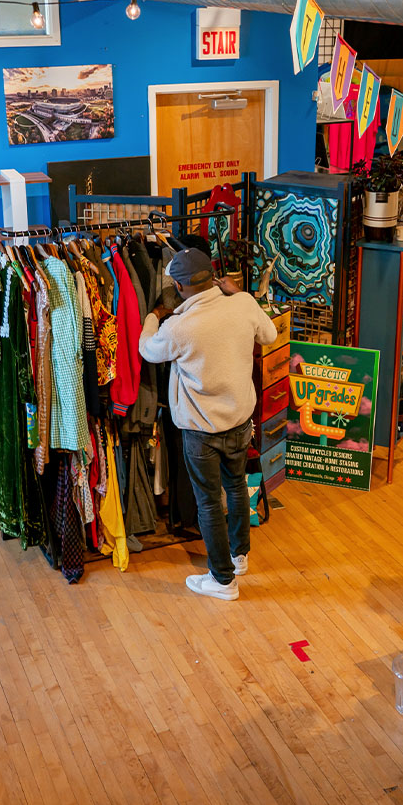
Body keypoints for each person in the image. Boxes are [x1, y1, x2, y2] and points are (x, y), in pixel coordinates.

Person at [139, 247, 277, 601]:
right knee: (235, 489)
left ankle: (223, 580)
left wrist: (154, 315)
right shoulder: (244, 304)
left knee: (209, 503)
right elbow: (270, 337)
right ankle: (238, 555)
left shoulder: (180, 326)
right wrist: (237, 293)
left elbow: (147, 349)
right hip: (240, 420)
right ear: (214, 276)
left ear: (180, 287)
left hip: (201, 430)